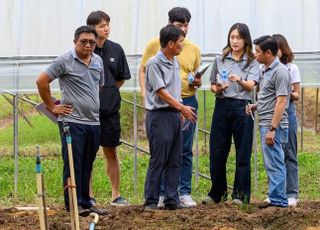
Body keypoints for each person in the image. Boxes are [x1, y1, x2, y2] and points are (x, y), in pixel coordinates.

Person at [36, 25, 108, 216]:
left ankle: (86, 200)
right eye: (83, 41)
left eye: (92, 42)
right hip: (72, 121)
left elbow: (98, 86)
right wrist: (51, 106)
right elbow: (41, 81)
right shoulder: (65, 60)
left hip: (93, 122)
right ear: (75, 41)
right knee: (73, 163)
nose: (88, 46)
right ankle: (73, 204)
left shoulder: (98, 61)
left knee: (87, 163)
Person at [139, 6, 201, 208]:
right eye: (180, 43)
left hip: (174, 114)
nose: (183, 46)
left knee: (176, 158)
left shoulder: (173, 61)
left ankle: (172, 199)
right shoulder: (154, 63)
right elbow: (161, 92)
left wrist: (181, 109)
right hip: (160, 115)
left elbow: (175, 90)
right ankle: (151, 200)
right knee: (159, 158)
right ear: (171, 44)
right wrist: (181, 108)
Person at [202, 23, 259, 205]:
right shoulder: (220, 59)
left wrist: (239, 80)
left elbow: (252, 85)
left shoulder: (252, 61)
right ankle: (216, 193)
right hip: (222, 105)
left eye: (238, 38)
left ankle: (240, 196)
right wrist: (218, 87)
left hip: (242, 107)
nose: (234, 41)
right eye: (232, 37)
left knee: (242, 152)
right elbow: (212, 85)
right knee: (217, 151)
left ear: (245, 40)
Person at [86, 11, 131, 206]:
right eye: (102, 25)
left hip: (110, 112)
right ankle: (88, 195)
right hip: (88, 112)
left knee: (111, 152)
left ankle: (115, 195)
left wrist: (109, 93)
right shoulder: (86, 50)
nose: (106, 28)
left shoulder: (116, 50)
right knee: (88, 154)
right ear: (92, 29)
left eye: (107, 25)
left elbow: (120, 78)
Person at [250, 35, 291, 208]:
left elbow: (282, 101)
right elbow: (269, 98)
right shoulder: (266, 70)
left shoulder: (280, 72)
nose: (255, 54)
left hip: (274, 125)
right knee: (271, 163)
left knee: (275, 163)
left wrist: (273, 128)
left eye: (257, 51)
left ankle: (279, 201)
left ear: (268, 53)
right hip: (266, 122)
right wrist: (256, 105)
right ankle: (275, 198)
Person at [272, 34, 300, 206]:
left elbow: (297, 94)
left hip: (287, 112)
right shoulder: (267, 69)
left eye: (277, 48)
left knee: (289, 153)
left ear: (284, 49)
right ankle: (276, 192)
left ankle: (291, 193)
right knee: (275, 155)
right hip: (273, 113)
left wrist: (287, 92)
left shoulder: (292, 68)